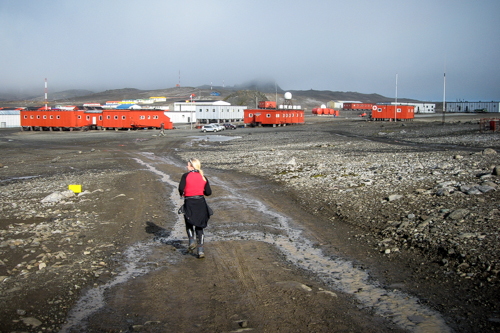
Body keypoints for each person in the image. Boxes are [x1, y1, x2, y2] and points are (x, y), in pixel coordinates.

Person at [178, 158, 212, 258]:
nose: (186, 166)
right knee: (199, 225)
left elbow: (180, 188)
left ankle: (191, 240)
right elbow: (209, 192)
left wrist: (182, 194)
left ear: (192, 166)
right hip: (200, 202)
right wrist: (201, 191)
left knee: (189, 222)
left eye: (188, 165)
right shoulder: (203, 177)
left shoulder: (185, 176)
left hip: (189, 202)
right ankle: (200, 250)